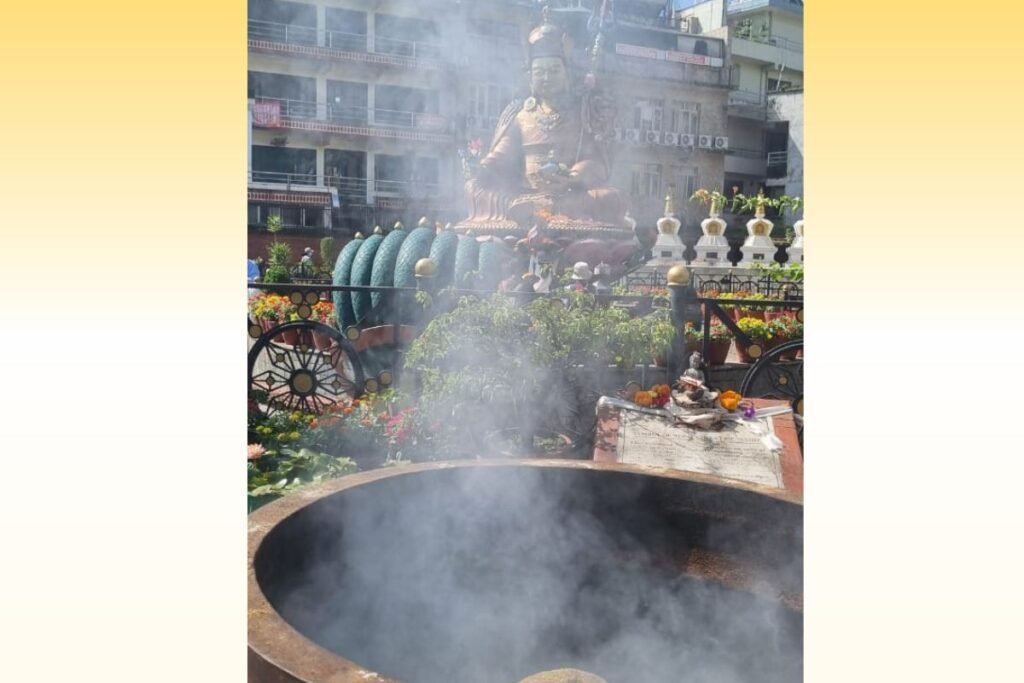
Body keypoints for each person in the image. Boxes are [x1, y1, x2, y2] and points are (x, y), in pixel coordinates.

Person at [456, 10, 628, 233]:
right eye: (539, 72)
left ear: (567, 73)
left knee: (610, 198)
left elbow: (597, 161)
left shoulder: (583, 111)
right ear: (530, 77)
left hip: (568, 195)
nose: (546, 77)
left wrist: (571, 178)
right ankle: (525, 219)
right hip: (521, 196)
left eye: (553, 70)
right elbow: (500, 157)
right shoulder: (520, 114)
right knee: (474, 188)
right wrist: (481, 168)